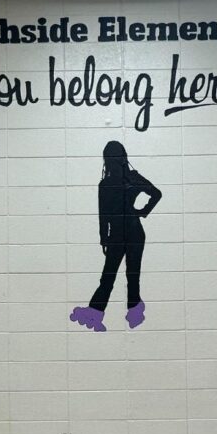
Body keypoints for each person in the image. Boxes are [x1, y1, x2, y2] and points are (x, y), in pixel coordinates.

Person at [71, 141, 162, 332]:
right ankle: (134, 312)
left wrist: (104, 237)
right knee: (131, 275)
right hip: (135, 231)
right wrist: (142, 211)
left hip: (118, 234)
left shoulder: (106, 184)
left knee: (109, 276)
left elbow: (103, 216)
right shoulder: (132, 178)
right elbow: (156, 193)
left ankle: (96, 312)